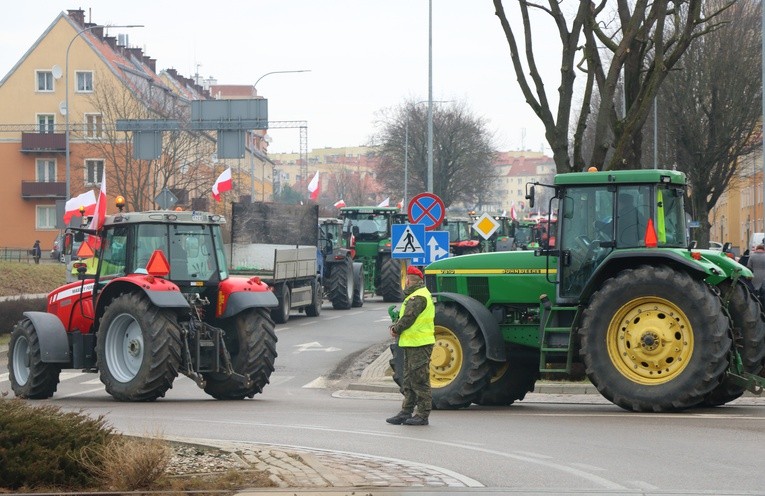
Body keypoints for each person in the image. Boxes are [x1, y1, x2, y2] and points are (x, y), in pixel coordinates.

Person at [386, 265, 435, 426]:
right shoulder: (416, 295)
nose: (404, 282)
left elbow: (408, 319)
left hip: (420, 344)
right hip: (412, 344)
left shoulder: (418, 297)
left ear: (409, 281)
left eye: (405, 279)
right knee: (408, 380)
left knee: (419, 380)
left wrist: (395, 328)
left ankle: (422, 414)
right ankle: (406, 412)